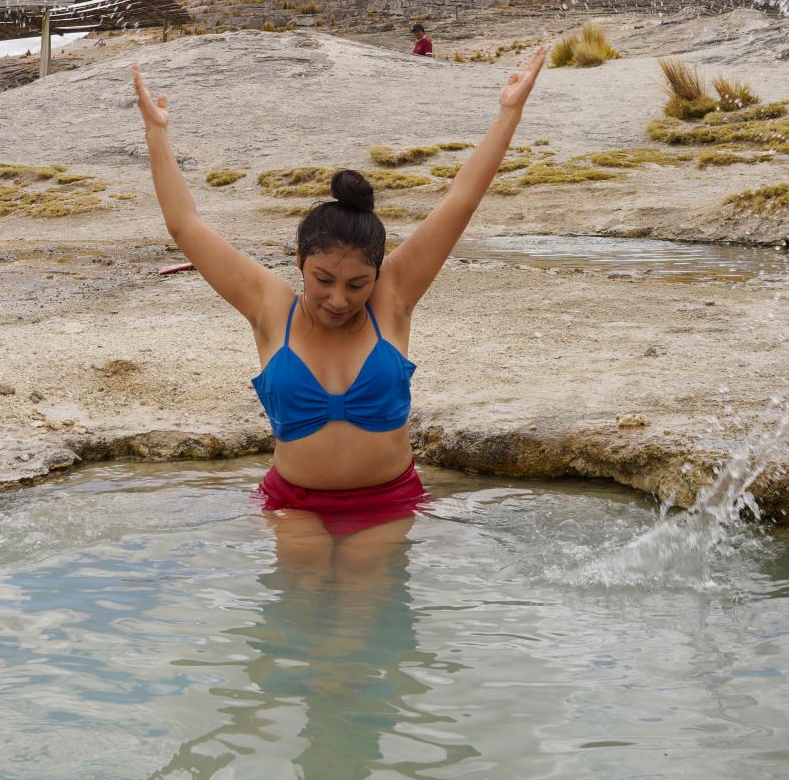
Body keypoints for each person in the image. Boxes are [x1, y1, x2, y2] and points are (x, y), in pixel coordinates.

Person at [131, 47, 548, 561]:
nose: (338, 299)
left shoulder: (393, 298)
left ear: (378, 274)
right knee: (302, 609)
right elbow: (185, 226)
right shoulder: (270, 307)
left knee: (362, 598)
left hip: (388, 502)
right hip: (293, 505)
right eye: (322, 280)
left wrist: (509, 113)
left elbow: (461, 199)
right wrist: (156, 131)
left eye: (357, 284)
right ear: (300, 260)